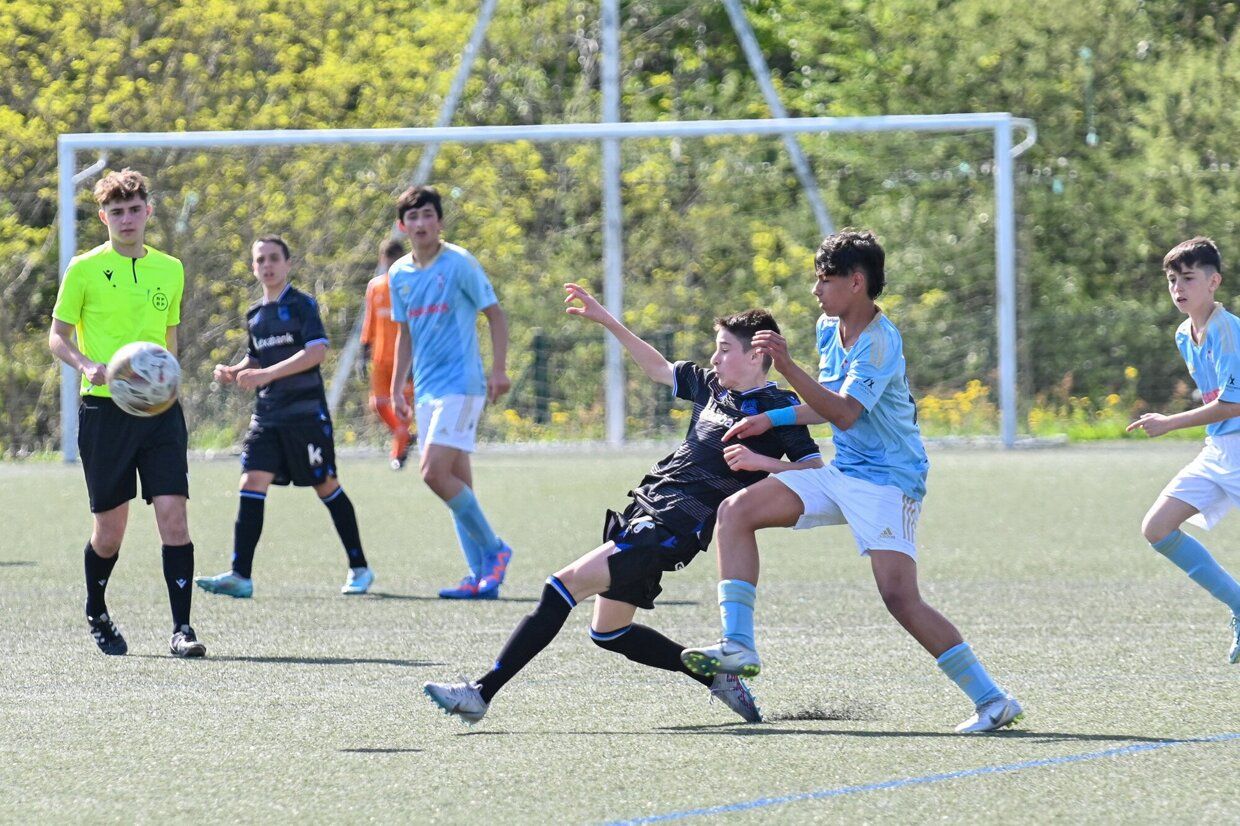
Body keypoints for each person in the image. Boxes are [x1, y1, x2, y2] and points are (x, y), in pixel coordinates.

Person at [422, 283, 823, 725]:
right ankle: (713, 678)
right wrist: (607, 320)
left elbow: (815, 471)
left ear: (755, 356)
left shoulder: (780, 407)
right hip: (646, 510)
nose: (714, 358)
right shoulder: (712, 386)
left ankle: (480, 692)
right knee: (609, 632)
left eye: (724, 349)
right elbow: (658, 368)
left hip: (673, 527)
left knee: (560, 586)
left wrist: (760, 462)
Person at [681, 229, 1024, 733]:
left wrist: (786, 366)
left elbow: (842, 412)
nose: (816, 291)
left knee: (899, 598)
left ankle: (992, 700)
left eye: (825, 280)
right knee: (736, 513)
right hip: (843, 472)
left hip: (889, 481)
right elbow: (825, 404)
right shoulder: (827, 326)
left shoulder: (881, 342)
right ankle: (737, 645)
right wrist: (771, 422)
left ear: (856, 283)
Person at [48, 167, 206, 657]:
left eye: (134, 209)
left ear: (148, 212)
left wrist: (172, 386)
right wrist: (86, 364)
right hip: (105, 413)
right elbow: (58, 336)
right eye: (117, 211)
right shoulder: (84, 268)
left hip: (160, 414)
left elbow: (170, 340)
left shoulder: (171, 268)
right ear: (104, 217)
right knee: (109, 533)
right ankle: (96, 608)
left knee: (173, 518)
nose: (127, 218)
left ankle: (182, 630)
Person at [195, 236, 374, 598]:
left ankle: (359, 567)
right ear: (253, 267)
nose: (267, 265)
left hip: (305, 416)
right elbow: (258, 359)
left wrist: (266, 375)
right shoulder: (255, 316)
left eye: (274, 258)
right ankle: (240, 575)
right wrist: (236, 371)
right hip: (267, 418)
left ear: (288, 263)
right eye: (260, 260)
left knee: (326, 486)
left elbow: (316, 352)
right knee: (251, 484)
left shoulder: (303, 305)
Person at [388, 185, 514, 599]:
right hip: (426, 390)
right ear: (402, 225)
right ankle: (481, 577)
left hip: (463, 386)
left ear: (439, 221)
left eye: (428, 215)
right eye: (413, 217)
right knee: (459, 482)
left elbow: (495, 315)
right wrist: (396, 386)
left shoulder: (459, 263)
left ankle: (495, 552)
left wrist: (498, 370)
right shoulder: (399, 274)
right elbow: (404, 333)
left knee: (433, 472)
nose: (421, 223)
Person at [1127, 236, 1240, 663]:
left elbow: (1233, 403)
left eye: (1188, 278)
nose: (1179, 287)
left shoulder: (1228, 329)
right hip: (1219, 450)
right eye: (1173, 279)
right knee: (1157, 528)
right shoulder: (1182, 334)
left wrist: (1169, 423)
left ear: (1214, 282)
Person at [361, 237, 416, 470]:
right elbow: (370, 320)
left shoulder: (411, 285)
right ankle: (406, 437)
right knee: (378, 404)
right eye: (388, 260)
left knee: (401, 407)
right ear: (382, 260)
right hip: (381, 356)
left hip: (404, 359)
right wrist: (363, 351)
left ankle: (398, 453)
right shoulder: (375, 286)